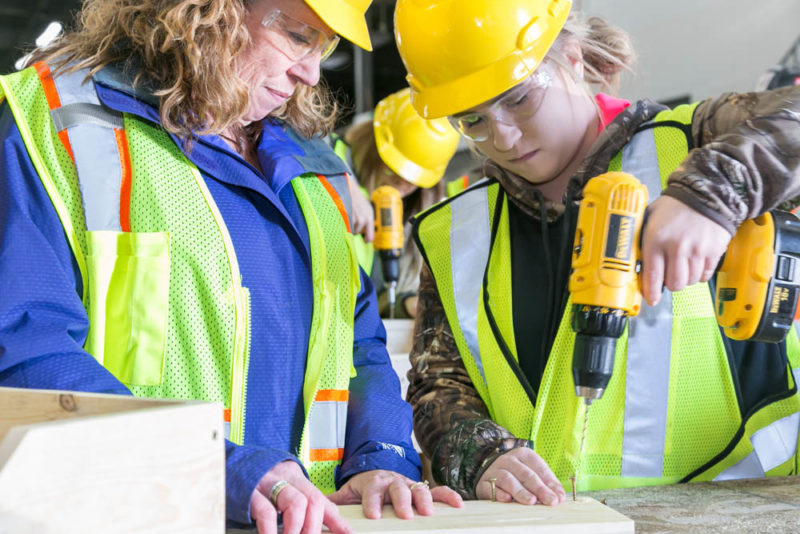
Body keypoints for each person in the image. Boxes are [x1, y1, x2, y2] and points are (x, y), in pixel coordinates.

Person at [0, 0, 462, 532]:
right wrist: (215, 466)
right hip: (139, 515)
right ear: (213, 10)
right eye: (298, 36)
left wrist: (379, 457)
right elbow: (26, 350)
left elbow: (356, 341)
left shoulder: (313, 163)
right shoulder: (56, 125)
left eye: (325, 45)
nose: (312, 73)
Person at [393, 0, 800, 505]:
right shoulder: (457, 230)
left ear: (572, 56)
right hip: (555, 519)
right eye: (473, 120)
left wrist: (714, 192)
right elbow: (438, 384)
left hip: (738, 510)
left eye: (519, 98)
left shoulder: (694, 143)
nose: (503, 136)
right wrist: (481, 456)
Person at [334, 88, 459, 318]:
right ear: (374, 144)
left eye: (413, 180)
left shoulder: (413, 208)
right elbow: (295, 131)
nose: (402, 183)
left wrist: (406, 304)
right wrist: (342, 181)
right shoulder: (327, 157)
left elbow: (371, 298)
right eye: (394, 168)